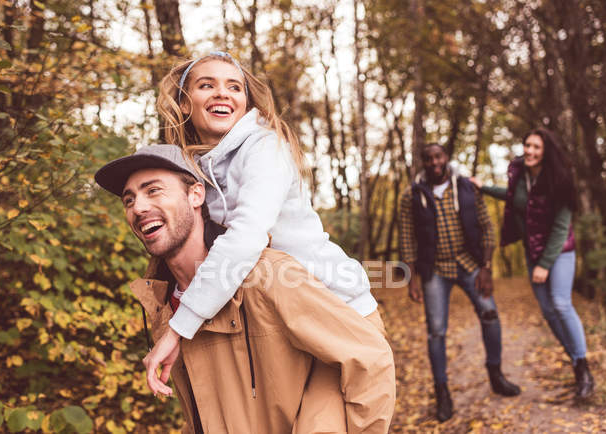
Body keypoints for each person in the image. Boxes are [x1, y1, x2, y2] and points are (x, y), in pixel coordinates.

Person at [94, 144, 396, 433]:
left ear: (196, 194)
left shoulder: (268, 276)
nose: (139, 207)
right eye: (129, 199)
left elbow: (370, 358)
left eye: (153, 190)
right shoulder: (162, 305)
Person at [143, 51, 381, 394]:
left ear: (244, 101)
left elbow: (246, 238)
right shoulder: (192, 172)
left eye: (234, 87)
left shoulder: (265, 148)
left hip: (341, 314)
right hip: (280, 328)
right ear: (183, 103)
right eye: (206, 85)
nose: (222, 93)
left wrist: (180, 328)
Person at [399, 143, 520, 422]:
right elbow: (406, 238)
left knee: (490, 314)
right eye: (428, 158)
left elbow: (487, 227)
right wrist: (411, 279)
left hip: (469, 264)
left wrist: (487, 268)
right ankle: (442, 393)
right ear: (423, 162)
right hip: (435, 269)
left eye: (438, 156)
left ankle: (496, 375)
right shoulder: (412, 195)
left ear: (446, 158)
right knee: (436, 331)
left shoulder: (466, 187)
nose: (434, 162)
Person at [470, 128, 594, 399]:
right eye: (527, 145)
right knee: (548, 311)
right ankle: (575, 362)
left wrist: (545, 264)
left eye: (536, 147)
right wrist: (484, 188)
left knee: (561, 303)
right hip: (532, 251)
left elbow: (562, 226)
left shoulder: (560, 179)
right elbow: (514, 198)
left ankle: (583, 368)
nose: (530, 151)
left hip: (559, 251)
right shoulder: (520, 174)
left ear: (546, 151)